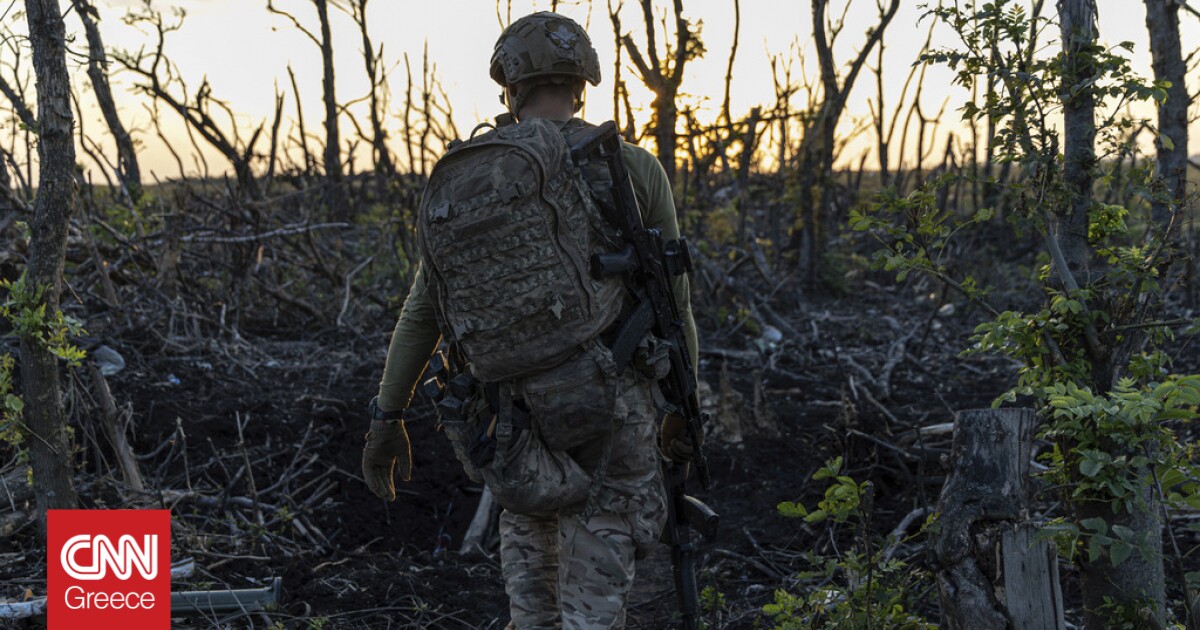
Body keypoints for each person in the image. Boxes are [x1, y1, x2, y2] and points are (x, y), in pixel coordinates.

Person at [361, 11, 699, 629]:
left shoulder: (476, 179)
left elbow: (423, 311)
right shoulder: (631, 167)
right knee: (593, 605)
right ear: (583, 85)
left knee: (535, 606)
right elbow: (674, 303)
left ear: (509, 90)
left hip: (512, 416)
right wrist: (682, 406)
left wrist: (387, 418)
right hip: (612, 409)